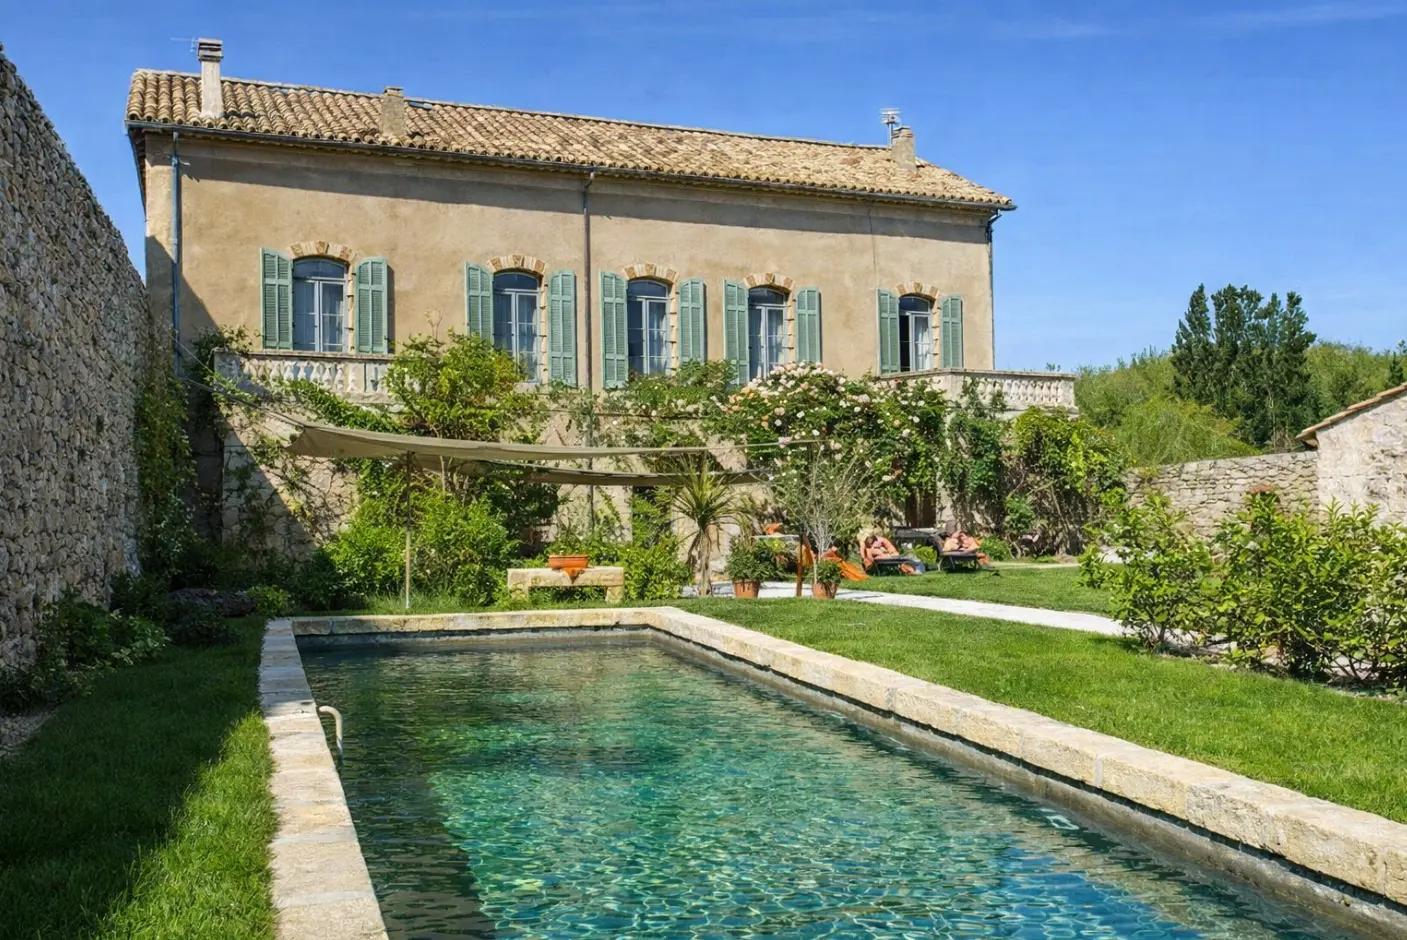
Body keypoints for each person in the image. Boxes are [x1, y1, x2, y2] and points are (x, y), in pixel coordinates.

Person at [860, 533, 926, 575]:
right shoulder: (869, 548)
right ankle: (914, 570)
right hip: (885, 557)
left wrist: (887, 552)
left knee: (909, 558)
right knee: (908, 559)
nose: (872, 546)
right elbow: (868, 554)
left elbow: (891, 551)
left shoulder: (881, 541)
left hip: (890, 555)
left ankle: (913, 570)